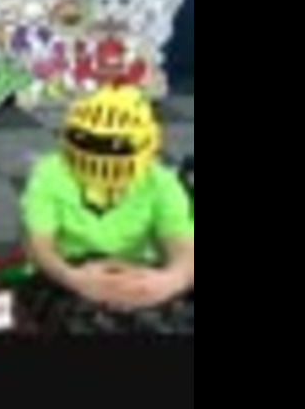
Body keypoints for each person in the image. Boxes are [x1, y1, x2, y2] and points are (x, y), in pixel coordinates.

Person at [19, 86, 195, 334]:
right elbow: (39, 244)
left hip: (135, 269)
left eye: (118, 146)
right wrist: (73, 278)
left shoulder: (161, 182)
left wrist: (170, 281)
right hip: (66, 271)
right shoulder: (49, 174)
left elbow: (184, 246)